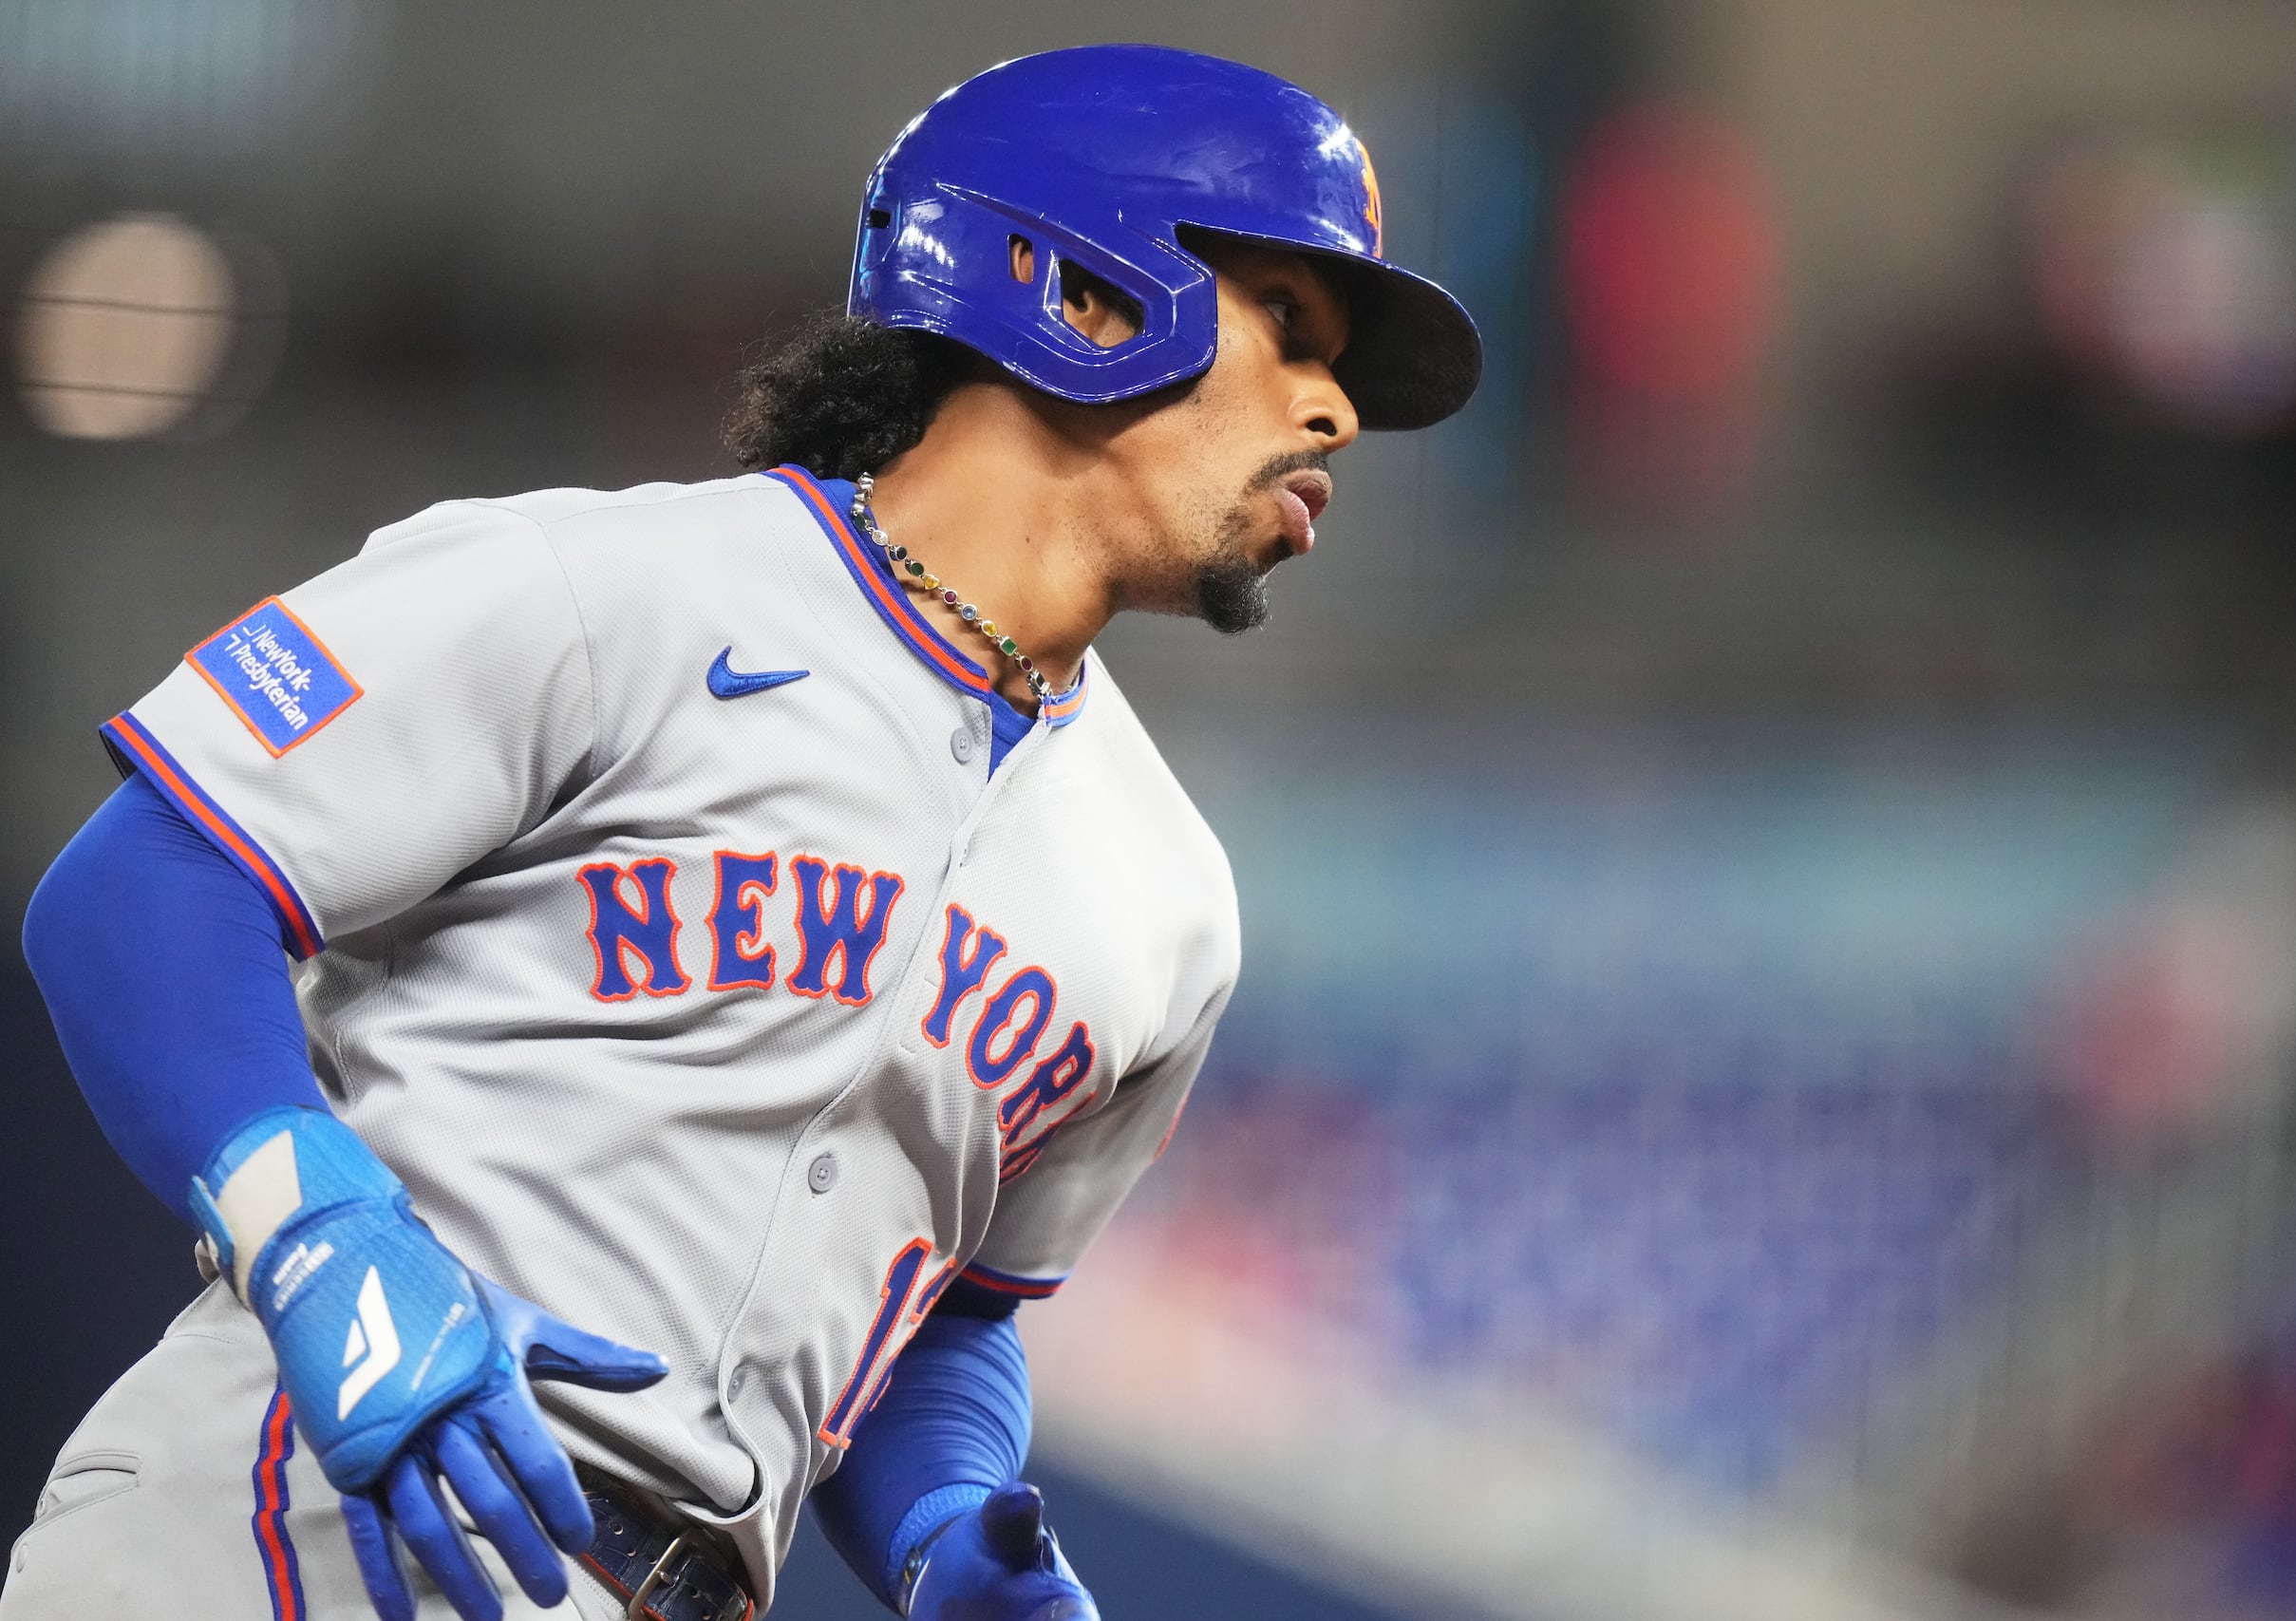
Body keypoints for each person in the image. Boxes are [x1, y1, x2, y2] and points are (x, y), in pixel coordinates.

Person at [6, 43, 1478, 1621]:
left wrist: (950, 1536)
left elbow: (950, 1322)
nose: (1333, 409)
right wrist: (323, 1247)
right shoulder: (616, 587)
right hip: (294, 1503)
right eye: (1290, 326)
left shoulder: (1169, 899)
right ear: (1082, 291)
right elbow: (141, 885)